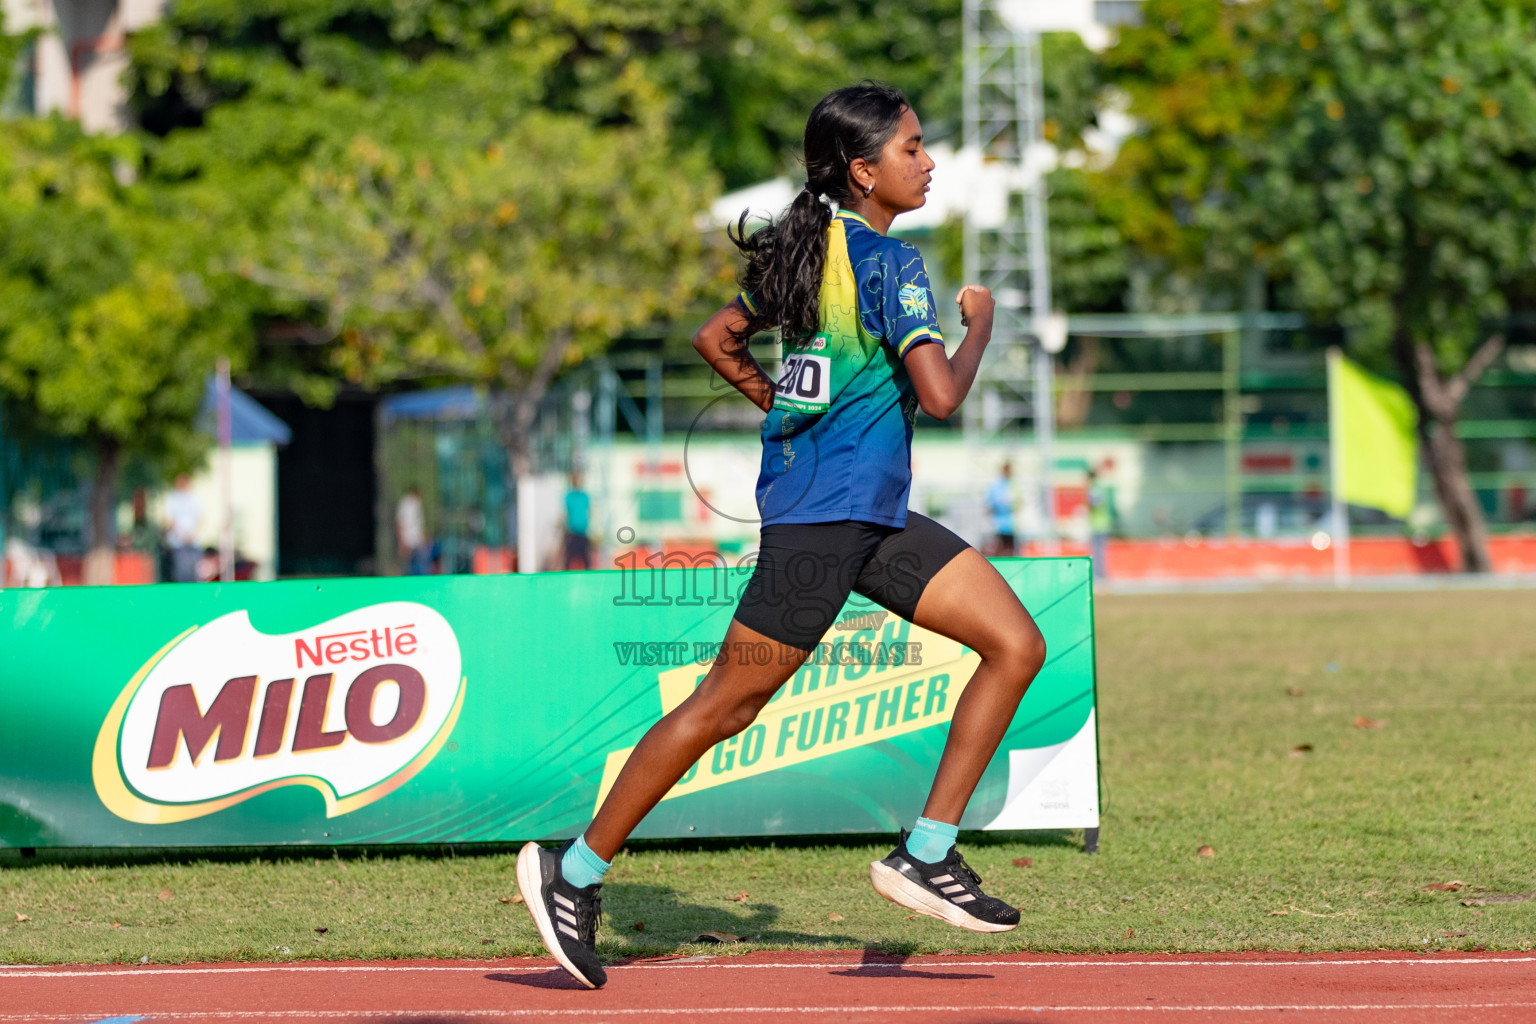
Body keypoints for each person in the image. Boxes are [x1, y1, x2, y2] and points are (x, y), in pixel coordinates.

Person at [515, 83, 1047, 989]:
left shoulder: (809, 247)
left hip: (863, 513)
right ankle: (572, 871)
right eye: (913, 148)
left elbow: (716, 339)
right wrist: (982, 323)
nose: (929, 162)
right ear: (863, 169)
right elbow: (943, 397)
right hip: (825, 521)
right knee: (724, 707)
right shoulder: (891, 262)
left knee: (1015, 642)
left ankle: (927, 851)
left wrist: (789, 412)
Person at [163, 474, 202, 583]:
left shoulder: (194, 498)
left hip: (193, 542)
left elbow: (201, 518)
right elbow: (168, 520)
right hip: (178, 543)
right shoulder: (171, 498)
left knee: (195, 574)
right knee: (181, 575)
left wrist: (193, 534)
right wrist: (180, 534)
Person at [396, 486, 431, 575]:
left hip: (417, 541)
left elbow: (417, 524)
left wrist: (423, 537)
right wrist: (401, 541)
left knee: (420, 564)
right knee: (409, 566)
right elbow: (400, 523)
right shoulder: (406, 503)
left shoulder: (417, 505)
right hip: (408, 540)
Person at [1086, 464, 1113, 580]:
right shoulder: (1099, 486)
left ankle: (1100, 574)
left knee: (1097, 551)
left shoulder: (1094, 488)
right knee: (1100, 551)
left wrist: (1088, 505)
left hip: (1098, 524)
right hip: (1102, 523)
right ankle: (1100, 574)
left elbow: (1096, 503)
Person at [562, 471, 593, 570]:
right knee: (569, 558)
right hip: (572, 532)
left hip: (583, 532)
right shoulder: (569, 496)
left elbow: (589, 512)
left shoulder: (584, 496)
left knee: (585, 558)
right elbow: (565, 513)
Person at [985, 461, 1017, 556]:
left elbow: (1018, 503)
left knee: (1010, 550)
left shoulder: (1013, 485)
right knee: (999, 549)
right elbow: (989, 505)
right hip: (998, 525)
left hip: (1011, 525)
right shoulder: (996, 486)